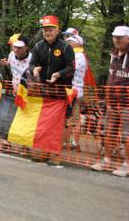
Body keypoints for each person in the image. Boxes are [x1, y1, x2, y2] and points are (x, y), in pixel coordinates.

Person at [29, 15, 75, 167]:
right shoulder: (37, 47)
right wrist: (34, 69)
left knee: (59, 124)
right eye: (45, 30)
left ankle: (56, 154)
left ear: (57, 31)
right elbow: (31, 64)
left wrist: (58, 74)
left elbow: (71, 67)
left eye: (50, 30)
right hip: (44, 90)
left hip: (61, 90)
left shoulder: (66, 47)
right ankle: (44, 151)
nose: (47, 32)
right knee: (45, 121)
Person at [91, 26, 129, 177]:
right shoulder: (114, 54)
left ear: (128, 38)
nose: (116, 40)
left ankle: (128, 165)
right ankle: (106, 160)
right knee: (109, 131)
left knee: (128, 134)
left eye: (120, 37)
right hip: (112, 101)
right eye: (115, 37)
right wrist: (108, 100)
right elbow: (111, 78)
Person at [64, 34, 95, 152]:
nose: (68, 43)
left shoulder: (77, 55)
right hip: (78, 90)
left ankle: (68, 142)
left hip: (72, 91)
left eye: (71, 42)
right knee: (74, 118)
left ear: (77, 43)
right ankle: (74, 143)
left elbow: (70, 70)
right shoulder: (83, 56)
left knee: (68, 118)